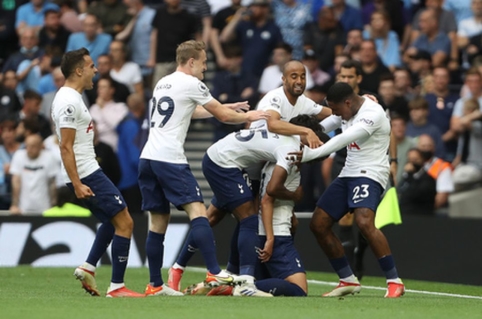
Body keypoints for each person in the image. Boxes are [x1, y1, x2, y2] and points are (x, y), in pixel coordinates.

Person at [167, 60, 331, 292]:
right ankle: (244, 281)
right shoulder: (276, 103)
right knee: (249, 219)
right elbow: (273, 125)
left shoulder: (302, 106)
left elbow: (333, 113)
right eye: (293, 76)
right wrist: (307, 132)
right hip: (228, 163)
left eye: (302, 76)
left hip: (242, 163)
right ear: (283, 79)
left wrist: (361, 106)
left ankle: (182, 269)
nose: (299, 81)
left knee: (214, 217)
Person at [138, 40, 269, 296]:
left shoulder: (163, 82)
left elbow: (188, 111)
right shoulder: (192, 82)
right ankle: (212, 271)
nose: (206, 68)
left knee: (158, 222)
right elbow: (223, 117)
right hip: (170, 159)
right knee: (198, 212)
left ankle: (155, 285)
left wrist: (225, 107)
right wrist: (246, 116)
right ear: (191, 62)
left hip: (148, 158)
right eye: (203, 62)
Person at [288, 82, 405, 298]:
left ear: (348, 102)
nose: (335, 114)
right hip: (349, 172)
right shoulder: (347, 108)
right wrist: (297, 132)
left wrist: (310, 155)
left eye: (336, 109)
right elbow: (324, 127)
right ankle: (348, 280)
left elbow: (342, 139)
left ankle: (394, 281)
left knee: (363, 222)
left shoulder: (372, 113)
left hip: (370, 172)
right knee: (318, 224)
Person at [198, 115, 327, 297]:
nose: (317, 158)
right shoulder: (288, 157)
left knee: (252, 273)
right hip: (277, 234)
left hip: (261, 233)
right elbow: (269, 197)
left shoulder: (271, 158)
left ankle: (233, 280)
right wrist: (272, 236)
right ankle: (235, 285)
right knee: (299, 290)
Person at [51, 47, 143, 298]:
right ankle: (117, 287)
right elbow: (65, 146)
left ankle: (88, 267)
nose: (96, 70)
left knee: (113, 222)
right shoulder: (69, 102)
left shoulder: (72, 97)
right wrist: (77, 182)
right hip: (86, 172)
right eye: (92, 66)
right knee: (125, 222)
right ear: (79, 70)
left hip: (87, 170)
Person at [9, 134, 57, 215]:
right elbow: (16, 183)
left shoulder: (49, 157)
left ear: (40, 146)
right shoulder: (19, 156)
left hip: (45, 208)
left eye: (33, 146)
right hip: (23, 208)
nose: (29, 149)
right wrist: (14, 205)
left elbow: (52, 185)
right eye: (27, 146)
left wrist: (53, 205)